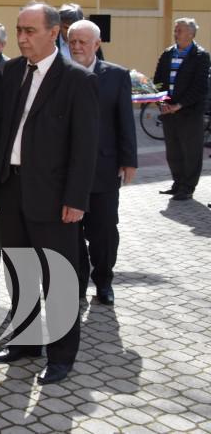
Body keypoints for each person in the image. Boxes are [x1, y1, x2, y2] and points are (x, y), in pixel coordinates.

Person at [0, 1, 98, 385]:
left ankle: (61, 356)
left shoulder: (77, 80)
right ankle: (25, 342)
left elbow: (85, 148)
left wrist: (76, 200)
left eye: (29, 31)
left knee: (59, 278)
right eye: (19, 30)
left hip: (55, 197)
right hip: (11, 186)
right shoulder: (13, 71)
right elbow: (1, 125)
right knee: (19, 271)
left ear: (54, 33)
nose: (21, 38)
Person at [67, 20, 137, 305]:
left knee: (104, 230)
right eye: (72, 42)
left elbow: (125, 121)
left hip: (104, 169)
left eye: (83, 42)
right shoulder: (60, 74)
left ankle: (104, 281)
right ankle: (78, 284)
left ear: (96, 45)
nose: (77, 47)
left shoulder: (116, 76)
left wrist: (128, 160)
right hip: (67, 171)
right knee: (72, 232)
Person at [154, 17, 210, 201]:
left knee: (191, 151)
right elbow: (158, 80)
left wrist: (179, 105)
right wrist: (161, 102)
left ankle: (188, 187)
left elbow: (199, 87)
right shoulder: (168, 53)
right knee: (174, 150)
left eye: (179, 30)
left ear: (191, 34)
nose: (175, 33)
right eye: (175, 29)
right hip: (168, 112)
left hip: (189, 112)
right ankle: (177, 183)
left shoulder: (201, 55)